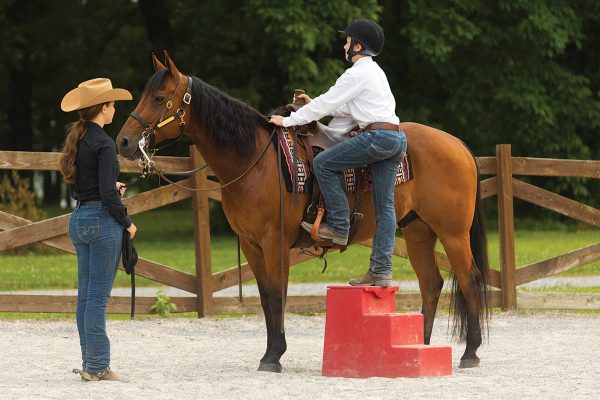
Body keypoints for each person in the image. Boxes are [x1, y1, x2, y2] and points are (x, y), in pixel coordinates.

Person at [269, 19, 406, 287]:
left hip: (376, 137)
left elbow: (327, 104)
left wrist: (286, 121)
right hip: (395, 138)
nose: (344, 46)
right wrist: (313, 104)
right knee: (385, 208)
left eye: (347, 41)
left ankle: (340, 226)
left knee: (323, 163)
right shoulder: (375, 72)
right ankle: (380, 272)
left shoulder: (355, 73)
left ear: (357, 45)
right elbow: (344, 109)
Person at [59, 78, 136, 382]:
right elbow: (106, 193)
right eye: (113, 104)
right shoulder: (104, 143)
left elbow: (87, 184)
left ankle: (90, 362)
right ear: (103, 107)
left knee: (86, 297)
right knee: (98, 299)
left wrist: (110, 187)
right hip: (101, 221)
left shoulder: (79, 139)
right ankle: (98, 366)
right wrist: (127, 223)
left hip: (79, 220)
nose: (115, 109)